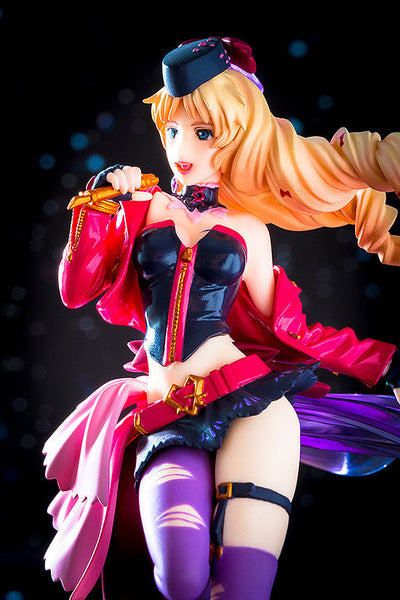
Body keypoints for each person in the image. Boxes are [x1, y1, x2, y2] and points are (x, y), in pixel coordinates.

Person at [43, 37, 400, 600]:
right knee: (180, 579)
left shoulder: (249, 229)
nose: (181, 147)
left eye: (203, 132)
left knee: (242, 588)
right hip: (165, 410)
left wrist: (386, 365)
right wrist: (99, 201)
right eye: (172, 130)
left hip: (252, 403)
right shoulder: (138, 207)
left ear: (239, 135)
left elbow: (292, 329)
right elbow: (75, 289)